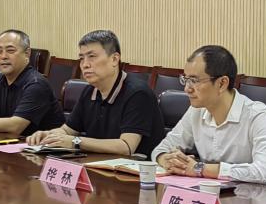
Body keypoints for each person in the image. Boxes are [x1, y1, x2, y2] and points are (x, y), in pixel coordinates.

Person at [150, 45, 266, 187]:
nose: (187, 88)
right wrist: (168, 160)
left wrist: (200, 169)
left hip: (260, 197)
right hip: (216, 194)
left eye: (194, 80)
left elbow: (264, 171)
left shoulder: (259, 116)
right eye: (186, 79)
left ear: (222, 83)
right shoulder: (196, 111)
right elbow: (160, 149)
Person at [26, 30, 164, 155]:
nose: (85, 64)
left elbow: (126, 147)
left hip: (135, 171)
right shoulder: (90, 90)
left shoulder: (138, 93)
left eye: (92, 56)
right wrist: (48, 135)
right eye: (81, 58)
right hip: (98, 165)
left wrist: (76, 141)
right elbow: (67, 130)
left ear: (114, 59)